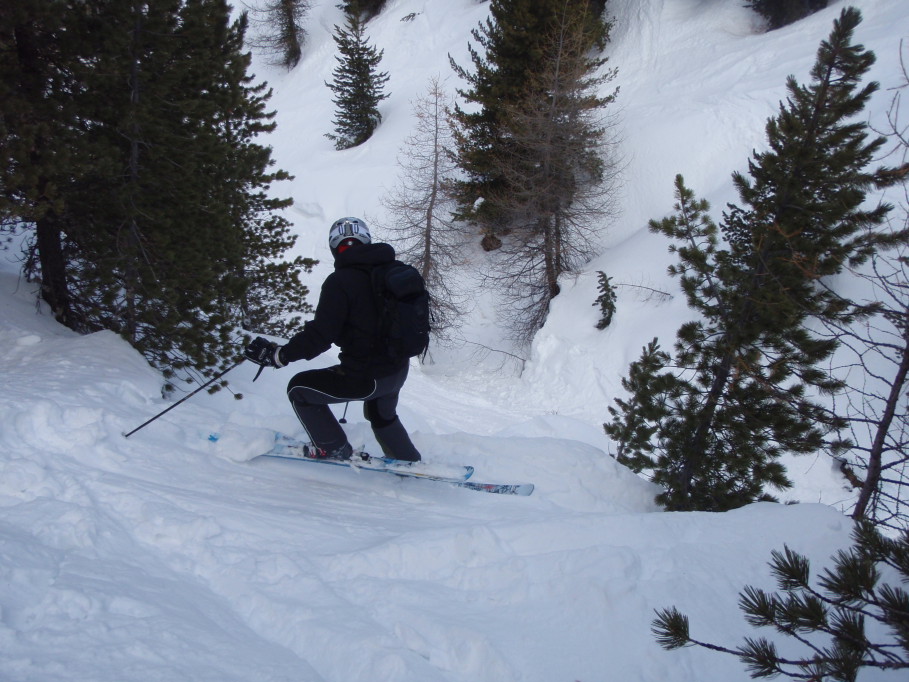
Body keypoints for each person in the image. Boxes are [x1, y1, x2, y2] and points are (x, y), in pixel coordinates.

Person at [243, 217, 422, 463]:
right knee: (382, 414)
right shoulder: (392, 272)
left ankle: (333, 448)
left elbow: (320, 335)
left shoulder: (340, 281)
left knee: (299, 389)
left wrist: (279, 355)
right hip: (397, 372)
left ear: (334, 248)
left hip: (367, 378)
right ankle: (408, 459)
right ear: (366, 241)